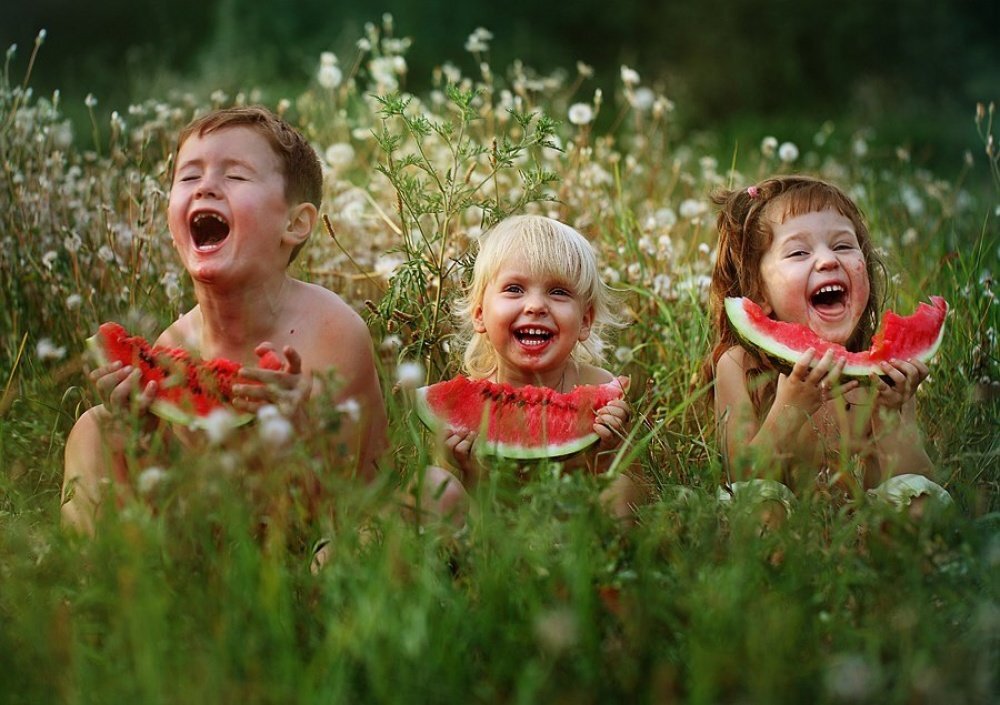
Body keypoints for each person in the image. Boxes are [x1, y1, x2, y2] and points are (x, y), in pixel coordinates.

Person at [61, 106, 387, 535]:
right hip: (215, 540)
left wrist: (297, 436)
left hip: (322, 542)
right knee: (94, 428)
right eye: (189, 176)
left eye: (235, 176)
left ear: (296, 222)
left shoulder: (333, 334)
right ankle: (96, 583)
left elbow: (341, 505)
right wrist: (139, 431)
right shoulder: (175, 342)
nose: (206, 187)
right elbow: (186, 492)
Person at [705, 175, 950, 513]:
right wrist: (790, 408)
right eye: (799, 252)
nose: (827, 260)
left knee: (922, 506)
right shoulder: (738, 365)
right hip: (777, 524)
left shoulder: (883, 376)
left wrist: (890, 415)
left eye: (843, 246)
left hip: (863, 531)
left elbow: (916, 478)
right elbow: (740, 474)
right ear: (759, 292)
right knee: (758, 508)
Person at [414, 215, 644, 523]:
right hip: (488, 541)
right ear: (480, 314)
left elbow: (641, 491)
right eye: (514, 289)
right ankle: (446, 568)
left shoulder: (601, 389)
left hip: (574, 541)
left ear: (585, 321)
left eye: (558, 292)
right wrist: (467, 468)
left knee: (621, 488)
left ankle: (613, 567)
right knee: (433, 483)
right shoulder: (462, 408)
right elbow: (469, 500)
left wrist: (609, 453)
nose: (535, 306)